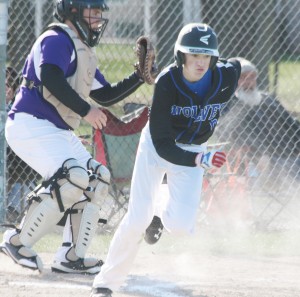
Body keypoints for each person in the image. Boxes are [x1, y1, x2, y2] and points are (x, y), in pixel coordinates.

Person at [0, 0, 151, 275]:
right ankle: (18, 241)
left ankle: (70, 256)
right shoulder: (57, 38)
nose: (97, 19)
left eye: (98, 13)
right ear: (73, 12)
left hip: (54, 129)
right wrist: (86, 111)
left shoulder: (82, 50)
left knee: (97, 178)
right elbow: (50, 78)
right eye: (91, 12)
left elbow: (104, 95)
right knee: (74, 176)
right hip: (29, 123)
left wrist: (139, 77)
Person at [90, 23, 241, 297]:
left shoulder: (226, 77)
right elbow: (161, 145)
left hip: (195, 147)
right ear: (180, 56)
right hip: (157, 148)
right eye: (193, 55)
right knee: (137, 217)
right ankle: (105, 284)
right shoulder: (167, 82)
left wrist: (198, 156)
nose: (200, 62)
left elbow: (237, 66)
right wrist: (199, 159)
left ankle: (158, 215)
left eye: (206, 56)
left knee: (181, 227)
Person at [216, 57, 300, 181]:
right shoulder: (227, 104)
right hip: (257, 157)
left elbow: (292, 125)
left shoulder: (268, 101)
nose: (249, 82)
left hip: (288, 153)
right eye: (243, 77)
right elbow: (223, 132)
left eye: (252, 77)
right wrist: (256, 152)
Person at [5, 67, 42, 222]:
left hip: (19, 166)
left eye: (6, 86)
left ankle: (13, 210)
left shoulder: (19, 111)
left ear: (13, 89)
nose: (3, 90)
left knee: (14, 210)